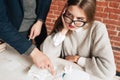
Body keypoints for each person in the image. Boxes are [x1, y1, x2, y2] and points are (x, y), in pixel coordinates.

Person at [40, 0, 116, 79]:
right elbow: (46, 54)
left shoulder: (97, 29)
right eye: (70, 15)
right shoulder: (64, 23)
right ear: (65, 10)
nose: (72, 24)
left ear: (88, 18)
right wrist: (63, 31)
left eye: (79, 19)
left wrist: (77, 59)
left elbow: (108, 71)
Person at [0, 0, 54, 74]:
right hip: (13, 34)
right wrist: (34, 52)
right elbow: (1, 23)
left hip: (39, 29)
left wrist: (40, 21)